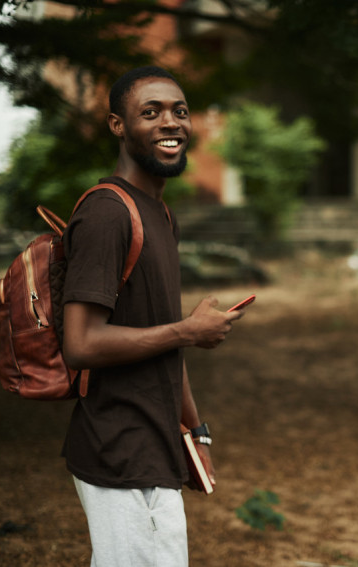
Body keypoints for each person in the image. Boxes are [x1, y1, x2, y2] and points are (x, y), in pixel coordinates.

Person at [61, 66, 244, 566]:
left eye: (180, 112)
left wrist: (195, 431)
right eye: (151, 112)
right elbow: (80, 343)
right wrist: (187, 329)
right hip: (117, 448)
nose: (171, 122)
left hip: (158, 446)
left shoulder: (160, 215)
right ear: (118, 125)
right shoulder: (107, 214)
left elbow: (164, 341)